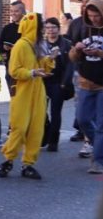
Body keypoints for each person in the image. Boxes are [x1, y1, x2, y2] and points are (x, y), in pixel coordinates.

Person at [0, 14, 53, 180]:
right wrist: (31, 73)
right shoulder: (20, 46)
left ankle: (28, 164)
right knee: (19, 127)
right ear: (33, 27)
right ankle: (8, 159)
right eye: (41, 25)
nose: (43, 28)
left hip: (38, 91)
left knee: (36, 128)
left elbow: (46, 70)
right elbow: (13, 70)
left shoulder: (39, 45)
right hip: (22, 92)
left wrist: (50, 59)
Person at [69, 0, 103, 175]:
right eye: (90, 15)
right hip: (85, 81)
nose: (94, 19)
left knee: (101, 125)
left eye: (97, 15)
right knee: (82, 119)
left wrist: (99, 52)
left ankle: (98, 161)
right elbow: (72, 57)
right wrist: (77, 49)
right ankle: (98, 145)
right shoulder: (82, 28)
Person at [40, 17, 73, 152]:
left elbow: (70, 65)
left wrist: (65, 82)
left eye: (53, 28)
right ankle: (43, 136)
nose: (50, 31)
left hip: (58, 83)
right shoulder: (41, 44)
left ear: (58, 29)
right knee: (41, 112)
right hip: (43, 82)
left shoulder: (66, 44)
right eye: (47, 28)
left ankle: (53, 141)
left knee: (55, 112)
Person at [0, 0, 26, 95]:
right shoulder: (7, 28)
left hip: (26, 67)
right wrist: (4, 49)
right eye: (11, 11)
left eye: (16, 11)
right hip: (11, 67)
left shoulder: (29, 27)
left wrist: (17, 47)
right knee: (14, 96)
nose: (13, 14)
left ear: (23, 12)